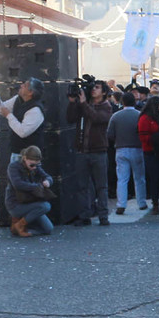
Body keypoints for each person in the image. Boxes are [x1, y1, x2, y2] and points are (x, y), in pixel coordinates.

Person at [0, 79, 45, 226]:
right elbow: (0, 109)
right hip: (16, 152)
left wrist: (9, 116)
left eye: (25, 85)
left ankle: (27, 220)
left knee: (27, 187)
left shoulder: (35, 110)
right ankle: (15, 220)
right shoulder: (17, 100)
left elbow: (22, 131)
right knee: (13, 187)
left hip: (30, 156)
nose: (21, 86)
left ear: (31, 92)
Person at [67, 80, 113, 226]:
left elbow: (97, 118)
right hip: (82, 150)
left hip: (99, 151)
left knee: (101, 186)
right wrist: (73, 102)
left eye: (97, 88)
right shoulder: (83, 104)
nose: (93, 90)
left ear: (104, 92)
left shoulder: (106, 106)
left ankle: (103, 216)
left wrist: (83, 103)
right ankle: (84, 215)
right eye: (92, 87)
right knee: (82, 186)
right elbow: (70, 118)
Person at [107, 92, 147, 214]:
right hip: (137, 148)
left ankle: (121, 204)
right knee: (139, 178)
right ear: (134, 102)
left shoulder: (115, 116)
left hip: (120, 148)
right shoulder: (139, 115)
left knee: (122, 178)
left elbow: (110, 134)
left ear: (122, 102)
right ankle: (141, 202)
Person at [5, 146, 54, 237]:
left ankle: (19, 227)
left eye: (37, 165)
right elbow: (18, 184)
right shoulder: (13, 167)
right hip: (15, 204)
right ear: (24, 158)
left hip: (30, 202)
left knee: (48, 228)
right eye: (32, 165)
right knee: (45, 206)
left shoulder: (35, 167)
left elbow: (48, 177)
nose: (34, 167)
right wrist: (37, 186)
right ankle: (20, 225)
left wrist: (48, 181)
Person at [138, 96, 159, 215]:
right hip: (152, 152)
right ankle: (155, 204)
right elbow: (143, 137)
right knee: (154, 180)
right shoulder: (145, 118)